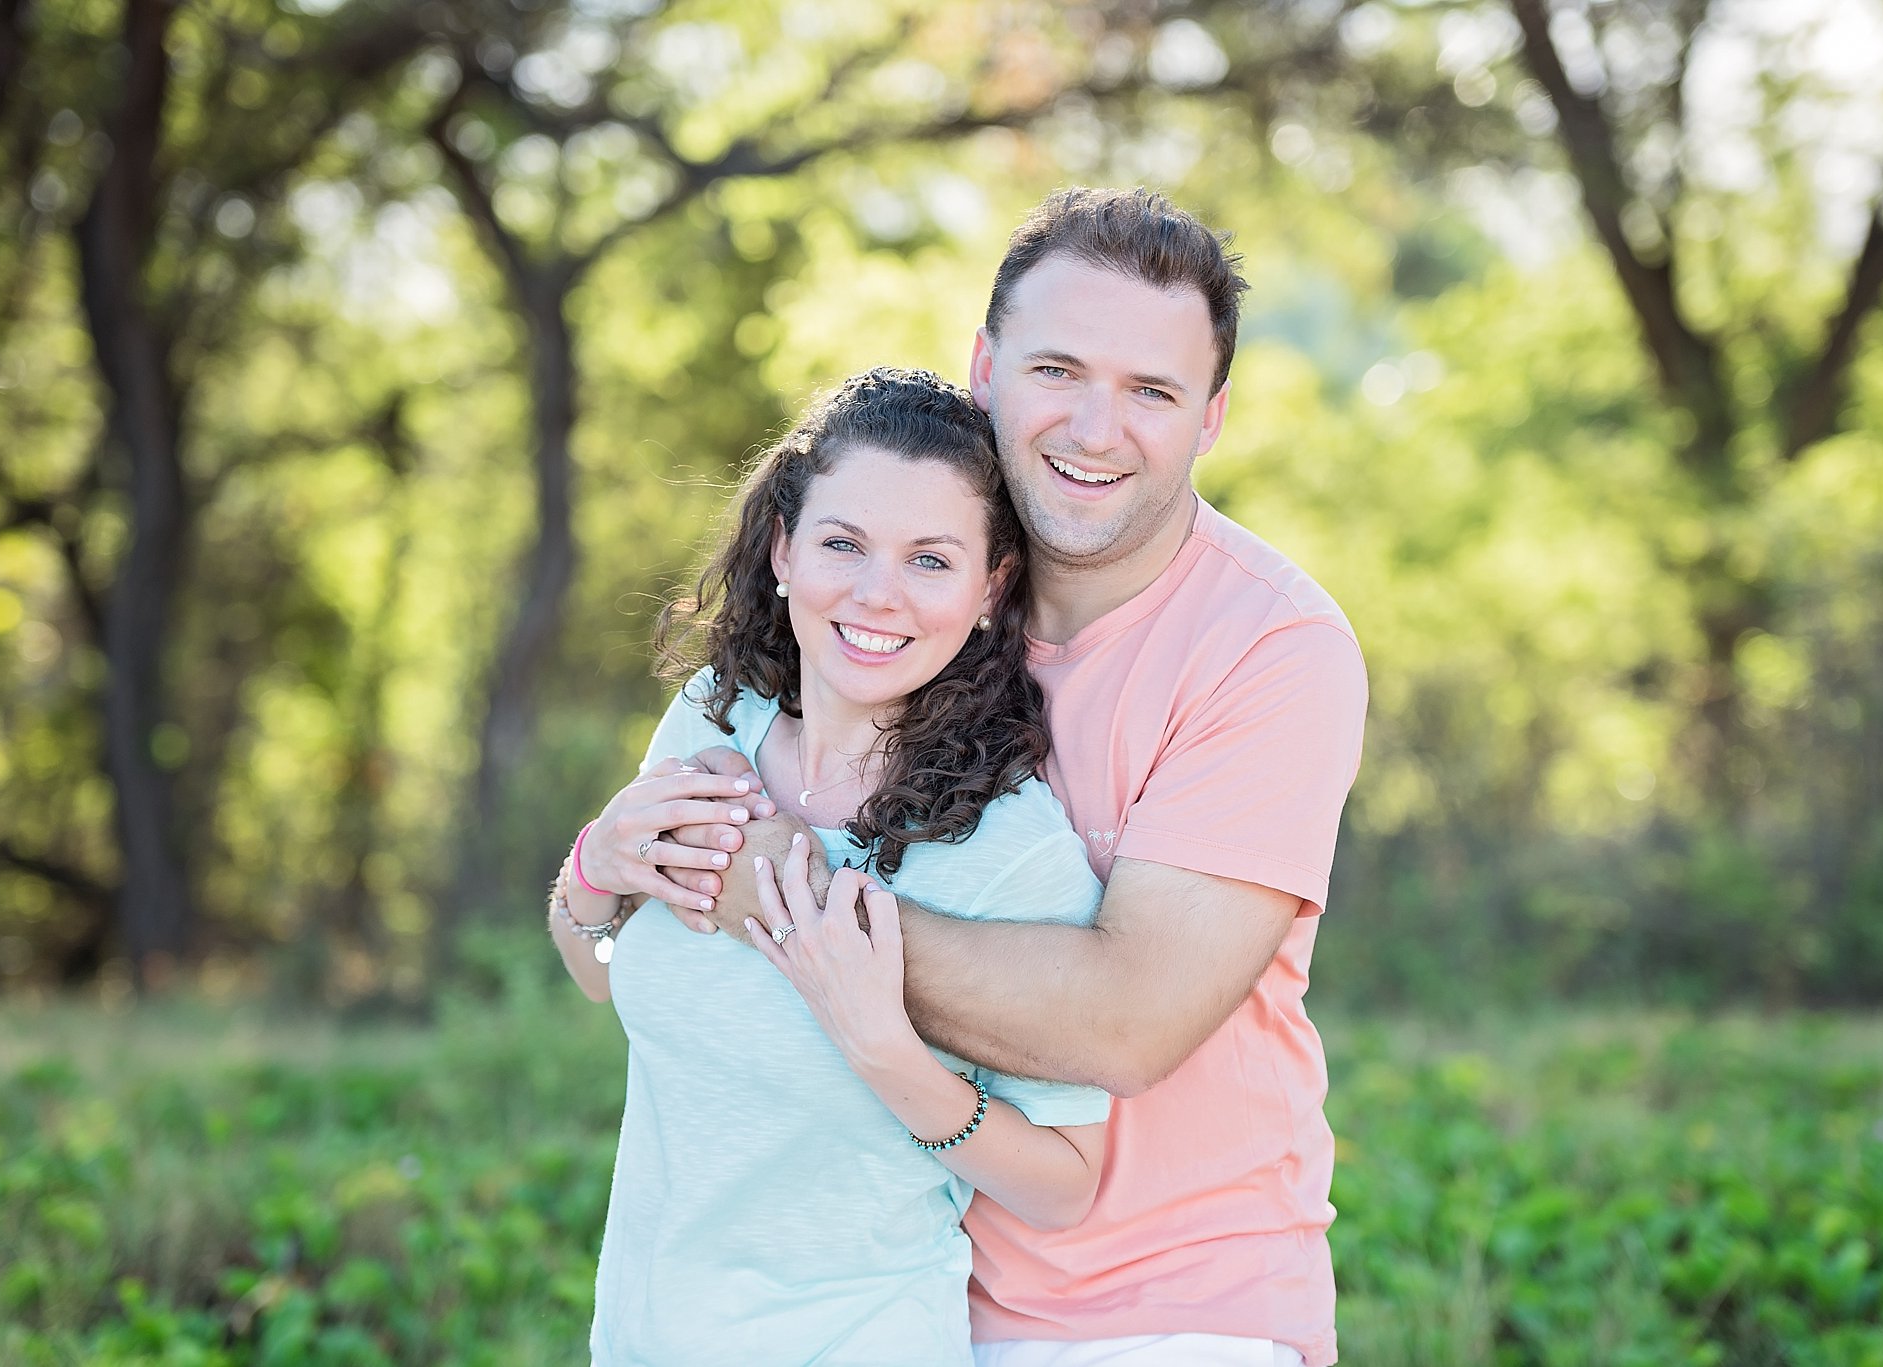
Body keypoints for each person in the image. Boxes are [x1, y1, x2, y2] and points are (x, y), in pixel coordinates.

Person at [612, 188, 1369, 1366]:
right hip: (893, 1291)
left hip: (1163, 1307)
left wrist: (770, 886)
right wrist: (600, 876)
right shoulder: (908, 595)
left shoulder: (1269, 647)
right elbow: (635, 925)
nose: (1095, 429)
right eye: (1057, 369)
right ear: (983, 368)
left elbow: (1125, 1020)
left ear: (1210, 417)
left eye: (1152, 391)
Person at [551, 367, 1112, 1366]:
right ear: (783, 549)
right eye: (843, 542)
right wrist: (596, 865)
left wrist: (886, 1050)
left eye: (929, 560)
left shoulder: (1012, 856)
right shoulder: (711, 723)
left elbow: (1064, 1182)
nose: (875, 592)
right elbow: (598, 973)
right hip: (638, 1337)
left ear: (989, 590)